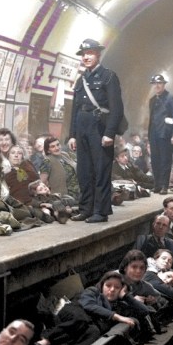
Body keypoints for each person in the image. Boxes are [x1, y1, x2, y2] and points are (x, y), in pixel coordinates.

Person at [68, 38, 124, 223]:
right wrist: (72, 135)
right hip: (82, 127)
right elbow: (75, 109)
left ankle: (100, 211)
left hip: (99, 128)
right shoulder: (81, 80)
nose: (86, 57)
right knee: (84, 171)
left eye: (90, 53)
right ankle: (86, 208)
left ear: (98, 54)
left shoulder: (109, 76)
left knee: (101, 171)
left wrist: (110, 133)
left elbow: (116, 109)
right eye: (84, 54)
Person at [37, 270, 151, 345]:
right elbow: (88, 306)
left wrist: (126, 296)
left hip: (86, 325)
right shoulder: (93, 292)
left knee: (94, 332)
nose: (112, 290)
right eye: (108, 285)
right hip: (74, 313)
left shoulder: (118, 305)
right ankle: (45, 342)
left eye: (117, 287)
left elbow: (144, 311)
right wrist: (117, 317)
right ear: (102, 285)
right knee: (81, 319)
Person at [146, 73, 173, 193]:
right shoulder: (151, 100)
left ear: (164, 84)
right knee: (155, 160)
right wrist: (149, 136)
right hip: (154, 134)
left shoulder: (171, 98)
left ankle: (165, 186)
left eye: (159, 83)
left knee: (165, 160)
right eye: (155, 84)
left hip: (166, 134)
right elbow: (151, 119)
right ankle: (157, 185)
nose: (157, 86)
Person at [39, 135, 79, 201]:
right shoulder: (47, 161)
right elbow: (42, 183)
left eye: (58, 145)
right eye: (53, 146)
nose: (57, 148)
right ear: (48, 150)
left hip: (77, 195)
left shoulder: (66, 155)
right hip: (62, 198)